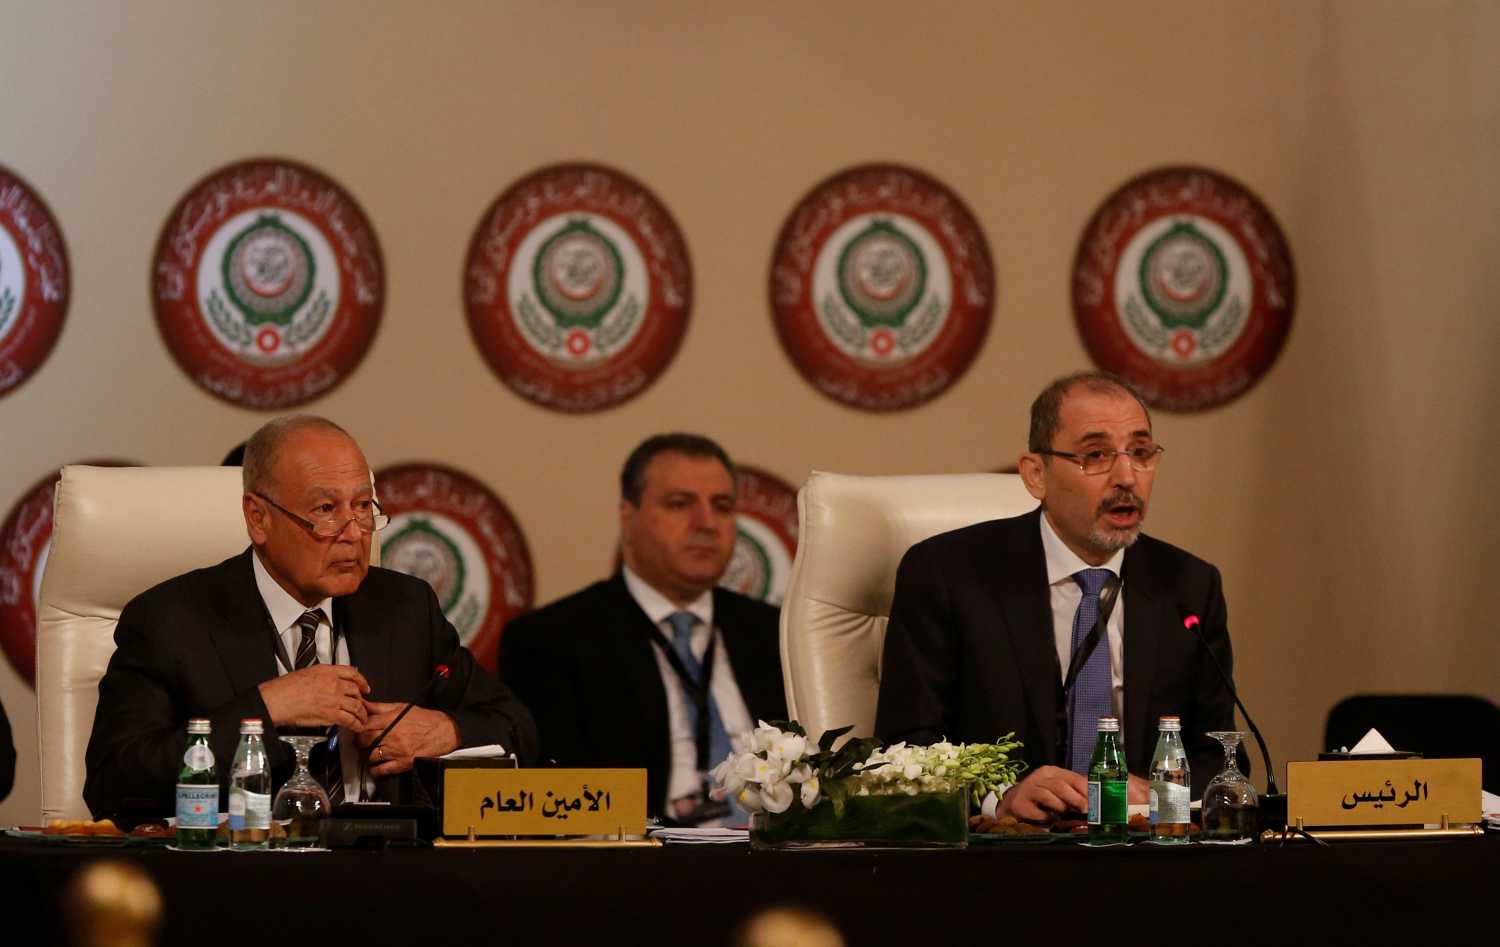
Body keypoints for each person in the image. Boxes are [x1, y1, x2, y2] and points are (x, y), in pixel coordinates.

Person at [84, 416, 538, 817]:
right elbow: (114, 784)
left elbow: (517, 726)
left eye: (363, 507)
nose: (354, 534)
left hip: (388, 881)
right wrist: (266, 709)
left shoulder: (404, 609)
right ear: (258, 519)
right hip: (238, 883)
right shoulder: (171, 620)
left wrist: (446, 731)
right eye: (325, 511)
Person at [875, 371, 1239, 821]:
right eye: (1096, 456)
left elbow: (1219, 756)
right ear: (1035, 474)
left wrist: (1164, 792)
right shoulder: (947, 575)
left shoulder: (1188, 585)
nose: (1127, 476)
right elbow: (905, 746)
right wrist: (1001, 795)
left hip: (1143, 858)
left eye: (1141, 453)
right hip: (1001, 861)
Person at [500, 434, 785, 821]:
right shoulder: (552, 640)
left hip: (776, 860)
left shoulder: (775, 634)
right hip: (638, 867)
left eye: (722, 506)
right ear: (627, 516)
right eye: (680, 504)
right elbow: (556, 806)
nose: (706, 523)